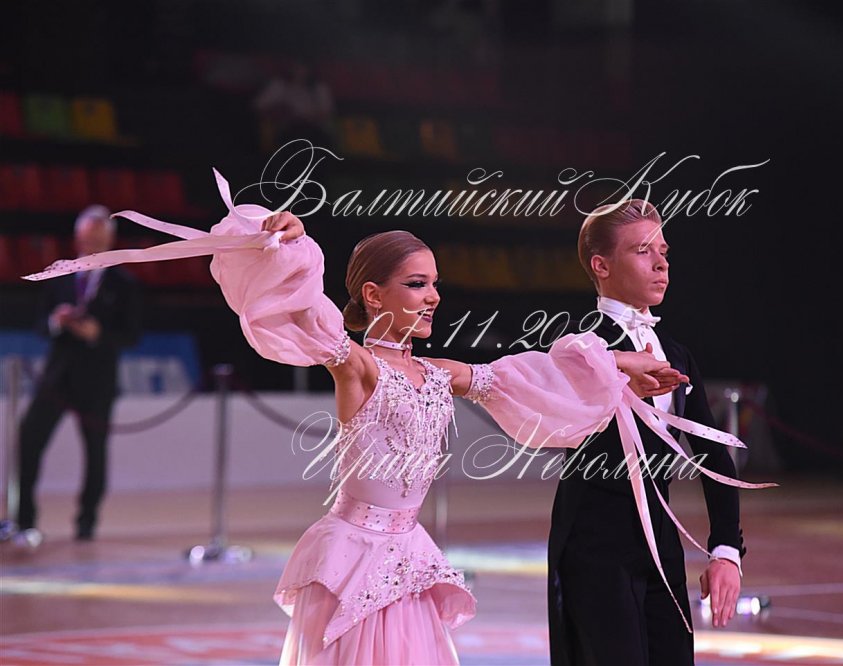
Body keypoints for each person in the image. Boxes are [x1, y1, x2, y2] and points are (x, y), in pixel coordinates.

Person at [23, 171, 719, 665]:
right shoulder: (356, 365)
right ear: (374, 295)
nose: (433, 297)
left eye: (435, 283)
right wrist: (287, 242)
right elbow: (307, 315)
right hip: (354, 559)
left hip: (408, 560)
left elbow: (524, 372)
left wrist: (620, 366)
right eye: (416, 284)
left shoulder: (438, 372)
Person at [547, 199, 755, 665]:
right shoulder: (580, 347)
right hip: (594, 549)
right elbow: (558, 368)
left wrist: (725, 550)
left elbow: (714, 454)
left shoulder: (676, 355)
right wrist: (617, 367)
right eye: (643, 251)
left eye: (663, 251)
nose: (661, 264)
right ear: (601, 266)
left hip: (662, 545)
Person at [16, 205, 142, 545]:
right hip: (56, 377)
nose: (91, 246)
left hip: (97, 381)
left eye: (97, 240)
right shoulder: (59, 274)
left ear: (110, 241)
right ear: (77, 239)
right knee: (29, 441)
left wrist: (98, 333)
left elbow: (132, 334)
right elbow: (40, 325)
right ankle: (24, 519)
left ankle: (87, 522)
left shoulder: (124, 283)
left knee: (95, 453)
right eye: (86, 239)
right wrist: (57, 321)